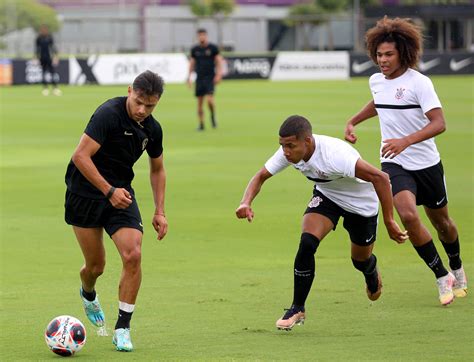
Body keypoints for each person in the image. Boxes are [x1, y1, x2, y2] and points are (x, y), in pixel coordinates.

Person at [236, 115, 407, 331]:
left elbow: (381, 178)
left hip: (361, 204)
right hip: (328, 197)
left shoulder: (335, 156)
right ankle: (297, 308)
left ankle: (370, 270)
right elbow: (260, 176)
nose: (285, 151)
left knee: (360, 260)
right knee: (307, 243)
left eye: (290, 146)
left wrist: (390, 221)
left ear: (307, 141)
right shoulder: (288, 154)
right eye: (282, 145)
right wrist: (246, 202)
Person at [344, 16, 467, 306]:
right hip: (394, 165)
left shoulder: (419, 83)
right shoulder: (376, 80)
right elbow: (378, 101)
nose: (382, 60)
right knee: (408, 215)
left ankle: (457, 266)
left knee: (443, 224)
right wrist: (354, 120)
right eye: (378, 54)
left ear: (403, 53)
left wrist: (406, 141)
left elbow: (439, 123)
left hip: (427, 165)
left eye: (388, 54)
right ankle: (440, 275)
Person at [64, 70, 168, 351]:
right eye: (138, 102)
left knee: (133, 254)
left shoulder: (152, 129)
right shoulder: (108, 114)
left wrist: (160, 210)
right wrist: (107, 191)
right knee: (95, 266)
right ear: (129, 91)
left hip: (120, 194)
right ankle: (87, 293)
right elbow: (80, 156)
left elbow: (157, 168)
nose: (142, 110)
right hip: (85, 193)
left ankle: (123, 327)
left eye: (150, 106)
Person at [187, 28, 223, 131]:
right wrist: (189, 77)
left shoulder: (213, 48)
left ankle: (212, 115)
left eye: (203, 35)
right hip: (199, 78)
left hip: (210, 78)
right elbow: (192, 63)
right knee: (199, 103)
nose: (201, 37)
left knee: (210, 100)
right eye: (200, 35)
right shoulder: (195, 50)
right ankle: (201, 124)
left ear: (206, 36)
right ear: (198, 37)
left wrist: (219, 74)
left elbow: (219, 61)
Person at [35, 24, 61, 96]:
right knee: (43, 73)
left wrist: (56, 56)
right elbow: (37, 49)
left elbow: (53, 47)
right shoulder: (39, 38)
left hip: (50, 58)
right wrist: (36, 57)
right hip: (42, 58)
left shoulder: (49, 37)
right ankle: (45, 88)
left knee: (52, 73)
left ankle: (55, 88)